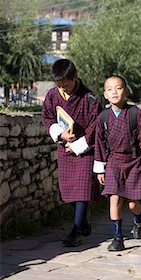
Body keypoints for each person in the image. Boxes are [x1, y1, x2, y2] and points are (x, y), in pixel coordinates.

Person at [41, 59, 102, 247]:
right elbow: (47, 117)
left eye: (65, 84)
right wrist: (61, 135)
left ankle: (76, 230)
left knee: (82, 191)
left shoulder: (90, 99)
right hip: (64, 148)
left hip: (84, 150)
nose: (62, 88)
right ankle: (83, 223)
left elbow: (96, 126)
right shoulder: (52, 95)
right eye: (59, 84)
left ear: (74, 77)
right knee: (67, 192)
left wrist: (78, 144)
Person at [94, 76, 141, 251]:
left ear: (126, 91)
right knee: (115, 199)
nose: (114, 92)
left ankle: (139, 219)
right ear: (105, 94)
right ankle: (118, 238)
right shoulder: (103, 117)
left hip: (134, 161)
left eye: (119, 88)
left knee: (132, 203)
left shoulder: (136, 114)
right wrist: (100, 169)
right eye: (110, 89)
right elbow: (99, 144)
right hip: (113, 162)